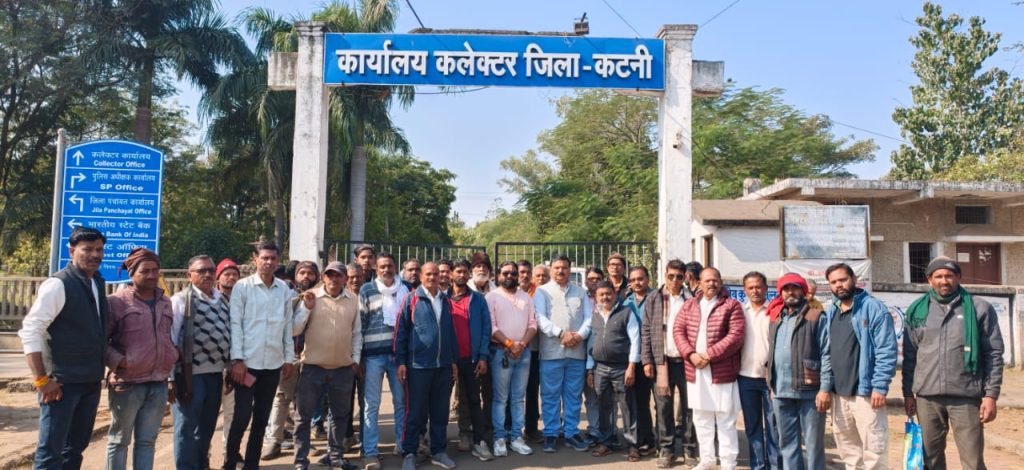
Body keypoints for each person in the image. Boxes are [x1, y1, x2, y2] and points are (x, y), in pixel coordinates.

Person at [19, 226, 108, 469]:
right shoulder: (58, 284)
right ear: (71, 251)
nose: (94, 255)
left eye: (99, 249)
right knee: (51, 451)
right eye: (87, 249)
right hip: (60, 385)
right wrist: (41, 380)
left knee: (75, 449)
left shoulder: (97, 283)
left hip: (90, 381)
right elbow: (31, 330)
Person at [902, 257, 1004, 470]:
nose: (944, 280)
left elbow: (993, 354)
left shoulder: (979, 309)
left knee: (972, 460)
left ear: (958, 277)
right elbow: (911, 356)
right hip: (927, 397)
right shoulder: (917, 311)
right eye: (938, 276)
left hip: (966, 396)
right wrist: (908, 393)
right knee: (930, 459)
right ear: (930, 280)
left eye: (949, 275)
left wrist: (990, 395)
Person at [102, 248, 177, 470]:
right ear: (132, 272)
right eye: (145, 271)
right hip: (127, 384)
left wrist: (171, 359)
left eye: (155, 270)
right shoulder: (116, 302)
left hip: (157, 383)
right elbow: (100, 342)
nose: (152, 275)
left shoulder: (166, 303)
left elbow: (168, 336)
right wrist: (120, 361)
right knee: (119, 440)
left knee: (147, 441)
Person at [225, 243, 296, 470]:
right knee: (241, 416)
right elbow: (235, 324)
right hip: (246, 364)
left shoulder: (284, 289)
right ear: (255, 259)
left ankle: (251, 464)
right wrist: (237, 360)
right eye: (264, 258)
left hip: (273, 363)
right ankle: (230, 461)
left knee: (262, 417)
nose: (269, 262)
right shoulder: (242, 287)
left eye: (273, 258)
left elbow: (287, 325)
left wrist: (288, 358)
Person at [824, 263, 896, 470]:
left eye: (843, 279)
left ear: (854, 279)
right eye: (833, 282)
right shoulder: (832, 311)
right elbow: (828, 352)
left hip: (866, 394)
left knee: (874, 453)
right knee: (850, 455)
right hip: (839, 395)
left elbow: (886, 350)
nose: (839, 285)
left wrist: (880, 386)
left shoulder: (873, 308)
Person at [291, 262, 362, 470]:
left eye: (338, 275)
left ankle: (336, 457)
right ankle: (300, 461)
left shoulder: (353, 300)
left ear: (345, 278)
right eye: (330, 275)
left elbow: (357, 333)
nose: (334, 279)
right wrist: (307, 308)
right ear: (323, 276)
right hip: (313, 367)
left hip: (342, 368)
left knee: (339, 416)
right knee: (303, 418)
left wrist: (355, 359)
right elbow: (295, 329)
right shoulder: (311, 297)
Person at [674, 267, 744, 470]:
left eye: (715, 280)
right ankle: (707, 460)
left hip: (721, 372)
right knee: (701, 418)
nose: (711, 284)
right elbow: (678, 331)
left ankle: (728, 463)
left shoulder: (732, 306)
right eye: (707, 280)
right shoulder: (690, 305)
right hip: (696, 371)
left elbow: (735, 336)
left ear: (721, 282)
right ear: (700, 283)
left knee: (725, 419)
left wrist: (708, 355)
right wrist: (691, 354)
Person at [395, 262, 459, 470]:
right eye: (428, 274)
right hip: (418, 366)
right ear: (421, 276)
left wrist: (453, 362)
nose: (433, 277)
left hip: (443, 366)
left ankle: (439, 451)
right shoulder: (411, 300)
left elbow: (451, 335)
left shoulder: (446, 301)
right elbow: (401, 334)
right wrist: (401, 362)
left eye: (436, 274)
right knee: (414, 412)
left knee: (440, 412)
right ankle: (409, 453)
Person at [171, 255, 232, 470]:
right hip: (189, 375)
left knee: (206, 428)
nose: (207, 274)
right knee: (186, 428)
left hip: (215, 374)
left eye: (210, 270)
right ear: (189, 276)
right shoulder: (180, 300)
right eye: (201, 271)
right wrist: (171, 378)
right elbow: (171, 340)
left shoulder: (222, 299)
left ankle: (200, 464)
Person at [767, 273, 832, 470]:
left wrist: (825, 389)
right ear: (781, 293)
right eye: (786, 289)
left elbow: (827, 354)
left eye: (795, 288)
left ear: (803, 291)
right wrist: (771, 383)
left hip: (810, 392)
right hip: (780, 391)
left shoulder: (816, 317)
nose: (790, 292)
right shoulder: (776, 318)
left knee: (813, 446)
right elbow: (771, 354)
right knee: (787, 444)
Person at [640, 259, 697, 468]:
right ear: (665, 275)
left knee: (690, 406)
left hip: (687, 361)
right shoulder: (654, 298)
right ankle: (666, 448)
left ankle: (690, 449)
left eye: (679, 277)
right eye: (671, 276)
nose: (674, 280)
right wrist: (647, 360)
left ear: (685, 278)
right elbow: (646, 331)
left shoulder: (691, 299)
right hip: (662, 361)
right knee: (663, 407)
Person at [533, 255, 592, 453]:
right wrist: (561, 333)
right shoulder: (542, 292)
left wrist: (579, 336)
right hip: (551, 353)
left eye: (564, 268)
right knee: (550, 395)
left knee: (573, 396)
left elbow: (589, 319)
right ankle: (550, 433)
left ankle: (571, 433)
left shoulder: (581, 292)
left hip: (576, 352)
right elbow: (540, 319)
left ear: (570, 269)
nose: (560, 271)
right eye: (557, 268)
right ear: (551, 270)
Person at [262, 261, 320, 460]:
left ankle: (302, 443)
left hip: (315, 357)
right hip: (290, 356)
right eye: (302, 273)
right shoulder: (288, 296)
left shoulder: (323, 297)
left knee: (305, 403)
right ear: (295, 276)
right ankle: (274, 441)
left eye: (310, 273)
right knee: (282, 398)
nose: (306, 277)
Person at [360, 253, 410, 469]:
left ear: (395, 267)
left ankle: (401, 444)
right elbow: (360, 324)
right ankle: (371, 451)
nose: (386, 270)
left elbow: (409, 323)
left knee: (401, 402)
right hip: (373, 357)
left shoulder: (405, 289)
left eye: (389, 266)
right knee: (372, 405)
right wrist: (359, 356)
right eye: (381, 267)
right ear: (376, 269)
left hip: (397, 356)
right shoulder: (367, 289)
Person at [487, 261, 538, 457]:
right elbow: (491, 326)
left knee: (518, 399)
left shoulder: (526, 297)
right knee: (501, 399)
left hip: (523, 353)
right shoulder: (491, 297)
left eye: (513, 273)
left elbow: (533, 324)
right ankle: (499, 438)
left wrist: (521, 345)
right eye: (506, 273)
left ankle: (517, 437)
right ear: (498, 275)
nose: (510, 276)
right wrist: (510, 344)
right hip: (502, 353)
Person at [587, 280, 640, 461]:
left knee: (627, 407)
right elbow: (590, 343)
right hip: (600, 368)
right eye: (601, 294)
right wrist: (589, 370)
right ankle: (606, 442)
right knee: (604, 407)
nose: (605, 297)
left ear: (615, 294)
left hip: (621, 368)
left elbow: (635, 341)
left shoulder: (626, 313)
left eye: (608, 293)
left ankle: (632, 445)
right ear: (596, 297)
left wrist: (631, 366)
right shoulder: (594, 316)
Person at [448, 259, 495, 461]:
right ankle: (438, 445)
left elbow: (486, 329)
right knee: (440, 403)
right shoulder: (442, 299)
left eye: (465, 272)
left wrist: (483, 356)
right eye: (458, 271)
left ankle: (480, 442)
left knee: (475, 401)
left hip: (472, 359)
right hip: (447, 361)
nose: (462, 275)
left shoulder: (477, 299)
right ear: (450, 274)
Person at [737, 271, 781, 470]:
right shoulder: (738, 312)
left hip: (770, 379)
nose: (755, 291)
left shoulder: (774, 312)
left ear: (766, 288)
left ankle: (775, 465)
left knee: (773, 427)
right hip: (745, 378)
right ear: (744, 290)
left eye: (758, 287)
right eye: (750, 287)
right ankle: (758, 465)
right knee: (752, 426)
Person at [622, 266, 656, 456]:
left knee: (659, 403)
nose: (637, 282)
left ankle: (659, 441)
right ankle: (644, 439)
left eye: (641, 278)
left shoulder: (657, 298)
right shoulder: (626, 303)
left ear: (648, 279)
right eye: (633, 279)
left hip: (654, 357)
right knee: (639, 402)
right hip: (635, 358)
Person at [215, 258, 241, 460]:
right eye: (227, 274)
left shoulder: (242, 299)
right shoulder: (211, 299)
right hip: (212, 366)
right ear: (218, 277)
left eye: (234, 274)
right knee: (208, 414)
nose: (231, 278)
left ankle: (229, 452)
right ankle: (203, 454)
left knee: (232, 412)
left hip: (235, 365)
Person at [516, 260, 542, 443]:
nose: (524, 275)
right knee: (512, 393)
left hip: (533, 349)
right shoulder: (506, 292)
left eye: (527, 272)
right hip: (511, 349)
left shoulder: (538, 293)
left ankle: (531, 429)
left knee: (532, 390)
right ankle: (511, 429)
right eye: (521, 272)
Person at [581, 266, 606, 446]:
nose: (594, 281)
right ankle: (593, 430)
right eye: (591, 278)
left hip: (604, 357)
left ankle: (605, 432)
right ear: (585, 281)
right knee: (588, 396)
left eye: (598, 278)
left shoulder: (609, 299)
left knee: (604, 397)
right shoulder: (580, 299)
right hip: (579, 355)